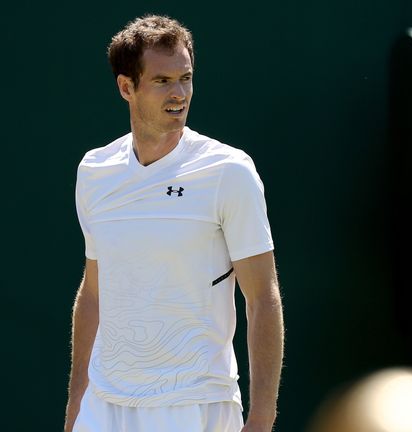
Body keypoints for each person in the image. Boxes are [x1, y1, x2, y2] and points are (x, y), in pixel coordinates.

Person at [63, 15, 284, 432]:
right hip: (104, 407)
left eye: (186, 78)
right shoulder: (94, 171)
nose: (179, 94)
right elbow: (94, 292)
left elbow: (262, 298)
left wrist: (261, 417)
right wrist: (77, 404)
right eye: (162, 81)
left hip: (194, 405)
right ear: (127, 87)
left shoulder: (229, 172)